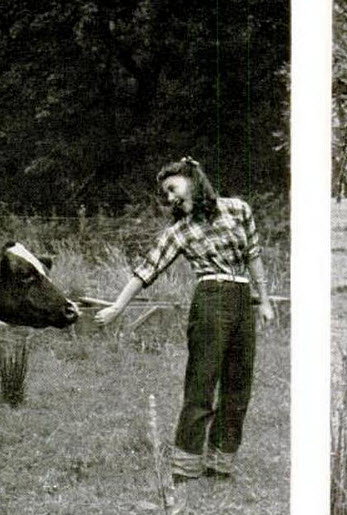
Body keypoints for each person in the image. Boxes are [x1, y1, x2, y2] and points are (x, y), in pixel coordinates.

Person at [96, 157, 275, 483]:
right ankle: (185, 469)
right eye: (165, 193)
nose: (169, 197)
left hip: (242, 300)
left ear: (192, 180)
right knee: (201, 385)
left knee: (238, 387)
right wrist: (118, 306)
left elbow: (253, 254)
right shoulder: (179, 231)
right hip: (210, 300)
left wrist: (264, 302)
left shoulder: (238, 209)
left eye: (172, 188)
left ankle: (220, 466)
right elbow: (146, 270)